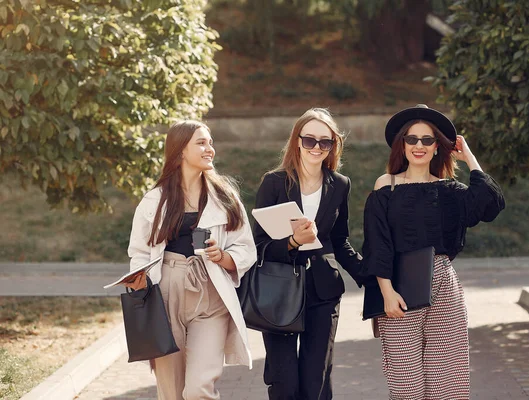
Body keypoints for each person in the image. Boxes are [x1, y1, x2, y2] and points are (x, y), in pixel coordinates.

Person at [362, 104, 505, 400]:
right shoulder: (385, 185)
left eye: (427, 140)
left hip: (443, 285)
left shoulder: (450, 190)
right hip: (399, 289)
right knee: (407, 386)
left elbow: (489, 204)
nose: (419, 146)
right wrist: (386, 292)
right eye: (412, 138)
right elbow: (377, 241)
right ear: (402, 144)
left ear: (437, 146)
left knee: (447, 382)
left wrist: (469, 158)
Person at [125, 120, 257, 400]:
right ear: (180, 150)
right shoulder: (155, 199)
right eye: (201, 142)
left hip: (210, 294)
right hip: (164, 293)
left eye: (210, 142)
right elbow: (138, 250)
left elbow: (246, 247)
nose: (210, 148)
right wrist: (140, 279)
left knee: (199, 389)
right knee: (171, 391)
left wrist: (224, 256)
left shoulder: (225, 197)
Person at [253, 108, 364, 400]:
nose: (316, 147)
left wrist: (374, 276)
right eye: (309, 140)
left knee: (316, 379)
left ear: (333, 146)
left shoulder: (340, 185)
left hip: (323, 291)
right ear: (296, 142)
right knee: (284, 381)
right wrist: (292, 242)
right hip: (280, 292)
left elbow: (340, 241)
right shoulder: (274, 183)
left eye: (324, 142)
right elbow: (258, 245)